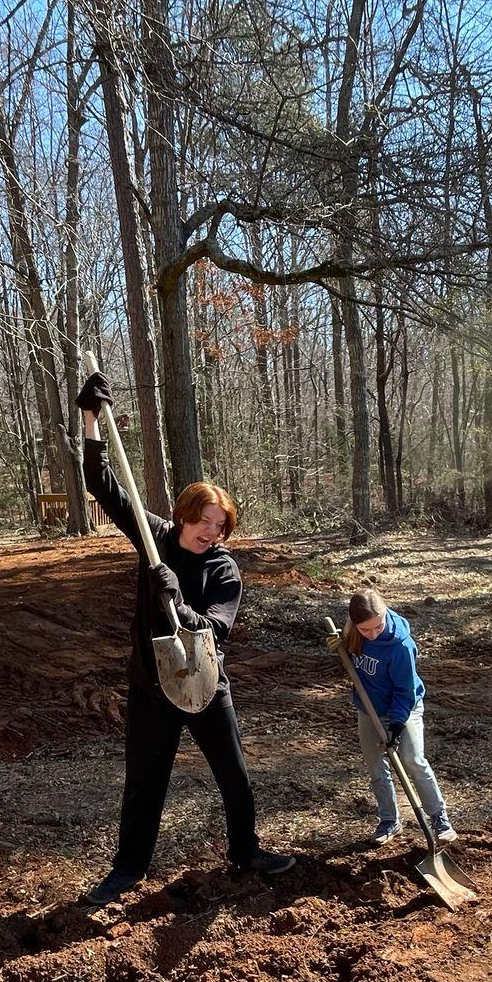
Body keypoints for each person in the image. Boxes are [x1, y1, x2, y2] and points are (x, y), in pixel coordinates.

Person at [77, 371, 294, 906]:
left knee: (234, 775)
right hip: (153, 686)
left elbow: (215, 628)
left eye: (221, 526)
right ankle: (128, 869)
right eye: (205, 522)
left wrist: (177, 602)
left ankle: (246, 851)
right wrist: (90, 419)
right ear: (183, 516)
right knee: (144, 782)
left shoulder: (224, 569)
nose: (211, 532)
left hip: (205, 684)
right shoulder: (154, 537)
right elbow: (103, 484)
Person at [341, 589, 455, 845]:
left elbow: (405, 692)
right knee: (375, 766)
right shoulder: (354, 631)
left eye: (378, 627)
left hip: (404, 707)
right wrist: (338, 646)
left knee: (412, 759)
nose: (373, 634)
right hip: (369, 709)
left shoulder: (401, 646)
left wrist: (395, 725)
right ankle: (389, 820)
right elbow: (350, 659)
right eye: (365, 630)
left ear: (385, 614)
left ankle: (439, 818)